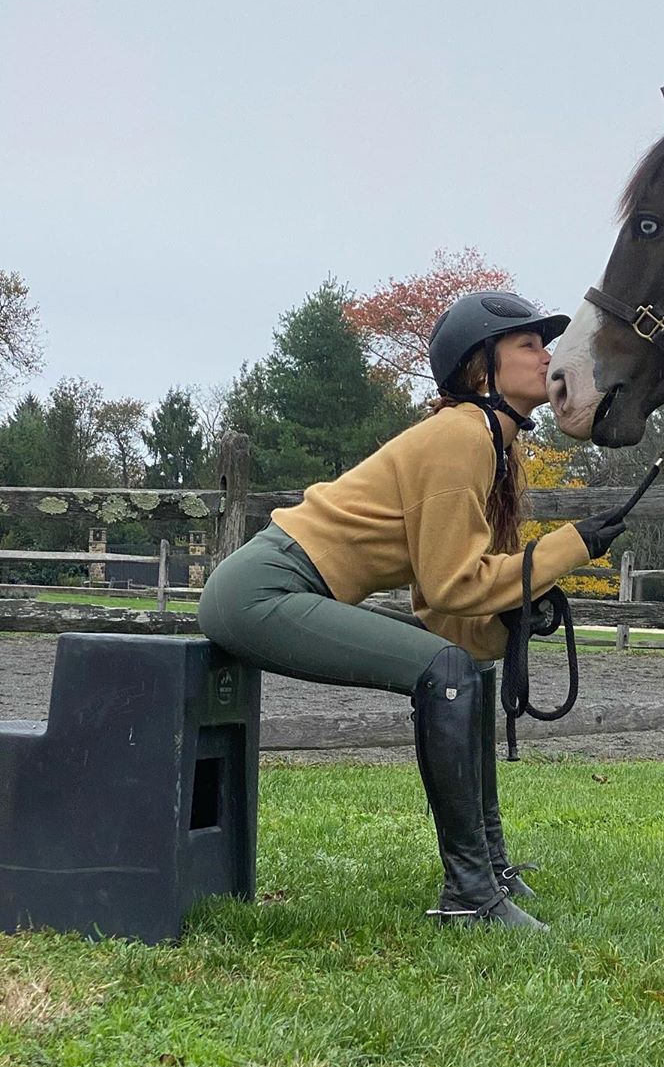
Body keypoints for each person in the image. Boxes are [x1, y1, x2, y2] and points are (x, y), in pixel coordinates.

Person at [198, 292, 627, 930]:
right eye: (529, 345)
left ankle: (488, 869)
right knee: (447, 673)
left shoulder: (489, 442)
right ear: (483, 369)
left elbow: (448, 600)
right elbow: (456, 586)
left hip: (291, 590)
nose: (546, 357)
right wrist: (573, 546)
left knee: (469, 667)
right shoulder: (460, 436)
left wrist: (517, 604)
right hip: (260, 593)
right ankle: (470, 896)